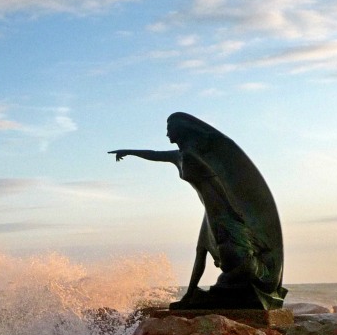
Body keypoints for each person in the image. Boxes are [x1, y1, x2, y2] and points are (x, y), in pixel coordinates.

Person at [111, 112, 286, 310]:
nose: (167, 134)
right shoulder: (179, 156)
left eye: (169, 129)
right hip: (209, 210)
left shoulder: (194, 156)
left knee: (226, 251)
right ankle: (191, 294)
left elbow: (216, 183)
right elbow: (154, 154)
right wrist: (128, 151)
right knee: (200, 250)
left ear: (180, 131)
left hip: (220, 210)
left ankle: (243, 286)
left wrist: (232, 210)